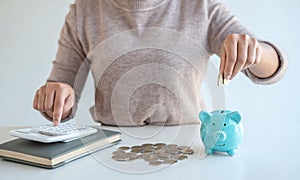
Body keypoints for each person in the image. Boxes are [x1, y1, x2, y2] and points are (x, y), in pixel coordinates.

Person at [33, 0, 286, 126]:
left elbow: (273, 69)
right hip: (111, 147)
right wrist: (56, 99)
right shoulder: (84, 10)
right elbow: (61, 98)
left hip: (188, 147)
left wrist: (254, 51)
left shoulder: (200, 6)